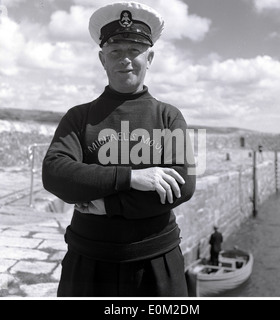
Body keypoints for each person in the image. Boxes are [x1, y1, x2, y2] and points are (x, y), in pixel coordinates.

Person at [42, 1, 196, 297]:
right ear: (103, 59)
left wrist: (108, 205)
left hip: (156, 264)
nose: (125, 59)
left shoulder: (169, 117)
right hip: (87, 264)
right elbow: (55, 173)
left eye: (134, 50)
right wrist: (131, 178)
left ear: (149, 57)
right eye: (115, 51)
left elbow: (183, 185)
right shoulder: (78, 117)